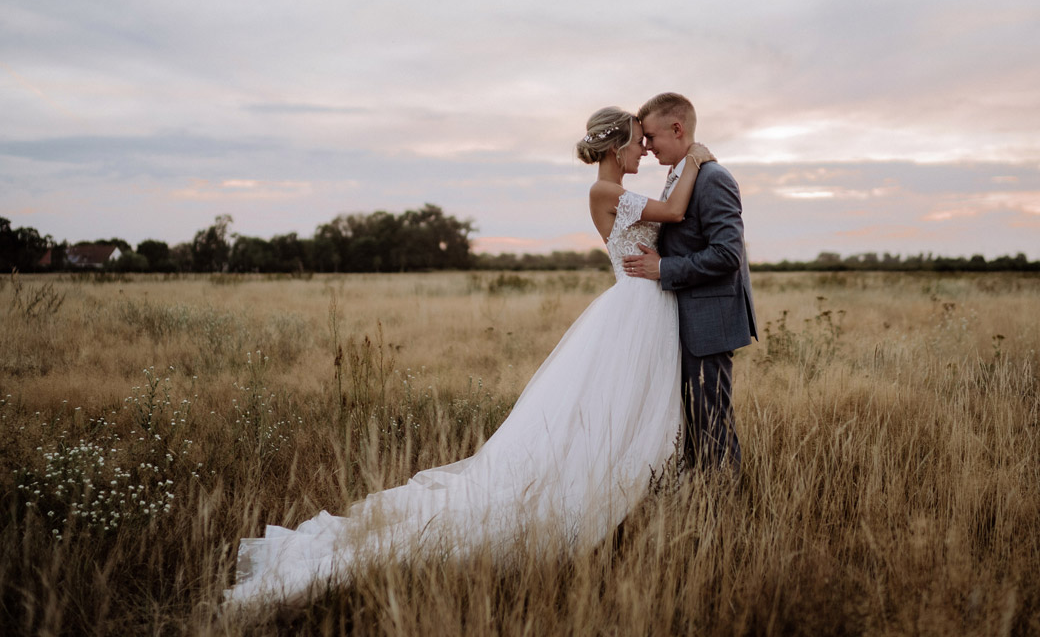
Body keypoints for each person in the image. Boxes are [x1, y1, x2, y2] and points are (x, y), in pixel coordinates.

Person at [223, 107, 714, 607]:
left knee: (633, 408)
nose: (643, 150)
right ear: (615, 149)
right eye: (636, 143)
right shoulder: (603, 191)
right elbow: (674, 213)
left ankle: (648, 497)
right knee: (612, 411)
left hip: (646, 304)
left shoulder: (620, 190)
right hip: (634, 306)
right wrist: (695, 158)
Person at [623, 92, 756, 476]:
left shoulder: (713, 178)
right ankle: (701, 500)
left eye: (650, 136)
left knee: (712, 423)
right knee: (693, 425)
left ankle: (725, 504)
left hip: (707, 324)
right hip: (683, 321)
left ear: (677, 129)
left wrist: (664, 267)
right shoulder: (680, 175)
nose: (646, 147)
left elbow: (728, 255)